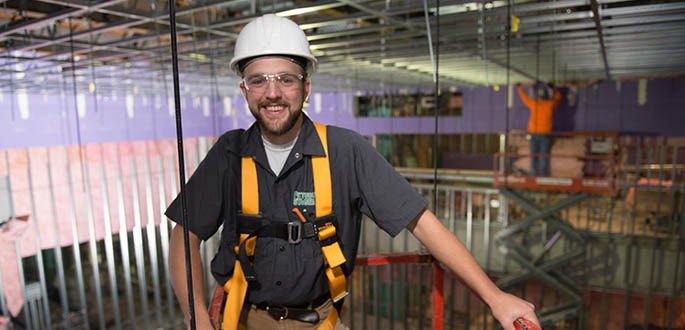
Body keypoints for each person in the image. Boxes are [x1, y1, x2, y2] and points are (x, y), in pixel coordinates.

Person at [166, 14, 539, 330]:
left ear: (305, 87)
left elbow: (424, 224)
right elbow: (183, 238)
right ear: (245, 90)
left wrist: (494, 297)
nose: (272, 92)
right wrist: (198, 321)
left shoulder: (346, 151)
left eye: (286, 78)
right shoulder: (229, 154)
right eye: (259, 80)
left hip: (317, 320)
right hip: (240, 318)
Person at [517, 83, 561, 176]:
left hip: (534, 134)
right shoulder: (550, 104)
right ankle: (543, 176)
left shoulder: (534, 103)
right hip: (545, 135)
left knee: (534, 156)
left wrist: (519, 88)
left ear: (538, 96)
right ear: (546, 96)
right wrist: (553, 89)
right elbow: (558, 98)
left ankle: (533, 176)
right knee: (544, 157)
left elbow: (525, 98)